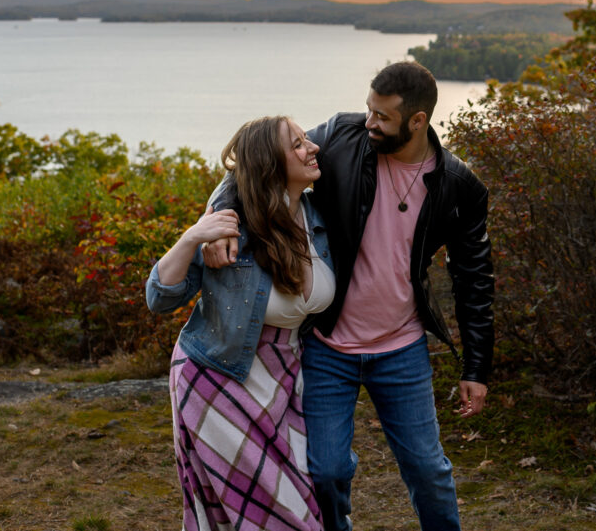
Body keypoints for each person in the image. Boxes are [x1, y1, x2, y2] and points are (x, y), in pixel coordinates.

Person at [204, 62, 494, 531]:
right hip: (327, 346)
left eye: (382, 117)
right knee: (325, 471)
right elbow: (255, 165)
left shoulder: (459, 186)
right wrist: (219, 222)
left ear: (417, 121)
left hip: (402, 347)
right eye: (368, 110)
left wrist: (477, 368)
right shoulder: (341, 137)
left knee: (428, 469)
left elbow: (475, 279)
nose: (370, 123)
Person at [146, 116, 335, 531]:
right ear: (271, 162)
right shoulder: (232, 226)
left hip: (287, 376)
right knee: (280, 513)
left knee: (299, 491)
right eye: (298, 144)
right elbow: (160, 297)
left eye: (307, 139)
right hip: (216, 376)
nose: (313, 148)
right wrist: (195, 234)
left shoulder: (318, 215)